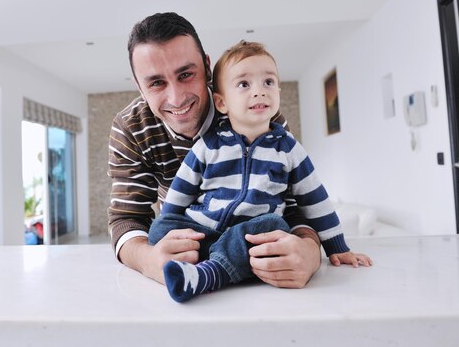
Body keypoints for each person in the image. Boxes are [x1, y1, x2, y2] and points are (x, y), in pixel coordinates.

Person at [108, 12, 322, 289]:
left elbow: (294, 202)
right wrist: (149, 259)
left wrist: (310, 251)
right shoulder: (130, 127)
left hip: (253, 253)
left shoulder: (255, 112)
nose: (176, 98)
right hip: (188, 254)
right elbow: (126, 218)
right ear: (139, 86)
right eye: (156, 83)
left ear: (207, 68)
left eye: (186, 74)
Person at [148, 40, 372, 302]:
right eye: (244, 84)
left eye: (268, 82)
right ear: (221, 102)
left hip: (251, 236)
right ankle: (216, 264)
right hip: (205, 232)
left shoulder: (288, 149)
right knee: (159, 225)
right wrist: (170, 230)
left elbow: (315, 200)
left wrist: (337, 246)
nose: (259, 91)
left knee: (275, 224)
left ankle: (208, 275)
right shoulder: (208, 145)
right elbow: (179, 192)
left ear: (278, 90)